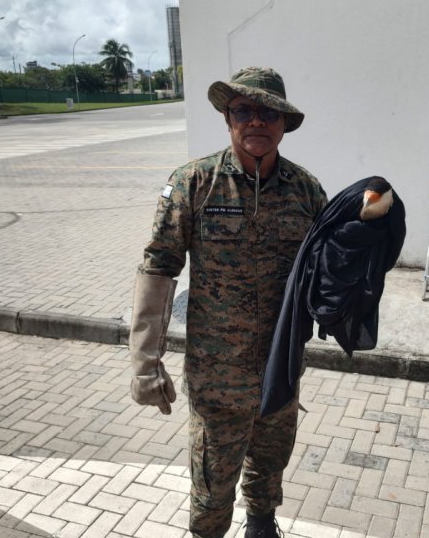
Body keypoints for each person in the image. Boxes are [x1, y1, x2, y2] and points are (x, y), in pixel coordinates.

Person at [128, 67, 327, 538]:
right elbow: (159, 267)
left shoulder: (306, 190)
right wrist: (144, 361)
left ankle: (261, 526)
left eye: (269, 113)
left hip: (280, 370)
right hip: (217, 377)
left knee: (270, 467)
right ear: (227, 118)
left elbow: (326, 268)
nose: (256, 121)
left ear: (284, 123)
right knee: (212, 486)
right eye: (243, 111)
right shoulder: (194, 182)